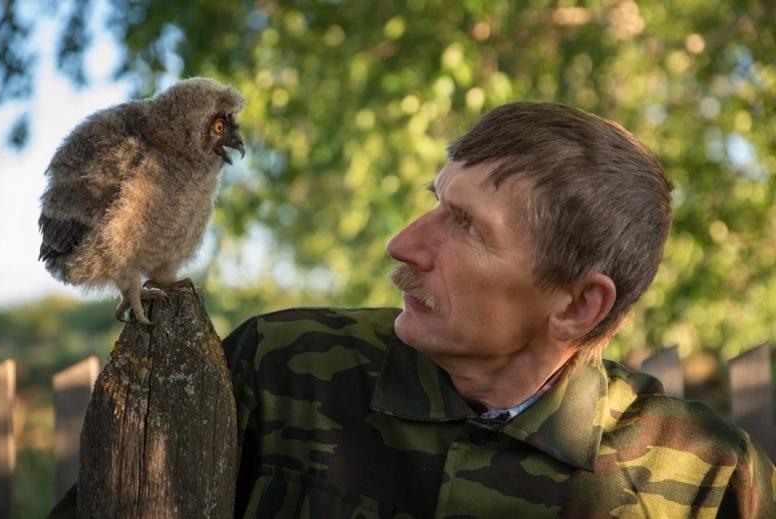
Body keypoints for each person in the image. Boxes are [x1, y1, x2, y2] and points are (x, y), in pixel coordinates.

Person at [51, 102, 775, 518]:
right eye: (438, 200)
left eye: (467, 226)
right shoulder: (278, 369)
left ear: (579, 304)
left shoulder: (713, 483)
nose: (403, 244)